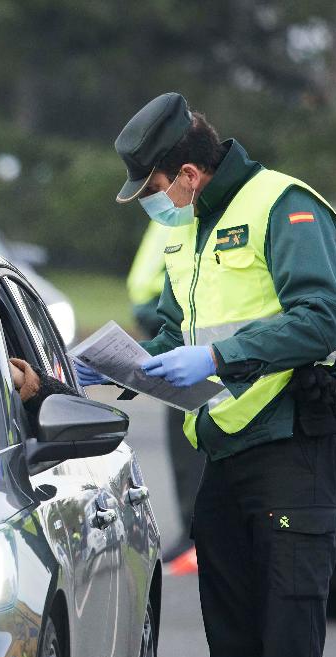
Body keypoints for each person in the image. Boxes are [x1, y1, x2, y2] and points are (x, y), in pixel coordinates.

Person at [80, 92, 336, 657]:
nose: (152, 202)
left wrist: (217, 358)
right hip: (223, 452)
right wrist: (102, 369)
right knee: (234, 648)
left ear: (189, 173)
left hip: (293, 445)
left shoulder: (285, 206)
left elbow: (322, 318)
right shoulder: (188, 227)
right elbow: (177, 329)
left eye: (152, 188)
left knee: (286, 646)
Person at [127, 219, 206, 567]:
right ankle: (191, 532)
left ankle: (199, 535)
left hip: (198, 338)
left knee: (195, 445)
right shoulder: (171, 213)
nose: (153, 194)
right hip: (166, 322)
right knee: (181, 441)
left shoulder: (194, 211)